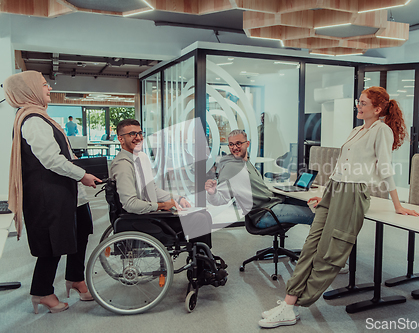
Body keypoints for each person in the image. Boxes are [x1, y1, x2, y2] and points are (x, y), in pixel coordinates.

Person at [258, 86, 419, 328]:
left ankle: (295, 304)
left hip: (353, 193)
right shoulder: (356, 130)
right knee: (310, 245)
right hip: (335, 189)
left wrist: (397, 204)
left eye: (363, 103)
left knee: (329, 252)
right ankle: (288, 302)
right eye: (359, 101)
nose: (359, 105)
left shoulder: (381, 131)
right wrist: (324, 195)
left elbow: (385, 169)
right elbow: (340, 167)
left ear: (377, 109)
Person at [4, 71, 102, 314]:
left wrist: (79, 165)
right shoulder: (32, 120)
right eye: (44, 85)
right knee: (53, 244)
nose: (48, 89)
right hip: (50, 195)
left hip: (67, 192)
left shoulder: (41, 116)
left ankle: (75, 279)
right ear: (28, 90)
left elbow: (62, 155)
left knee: (80, 235)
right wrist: (82, 174)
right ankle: (42, 291)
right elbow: (51, 160)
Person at [110, 119, 212, 247]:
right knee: (200, 219)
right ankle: (202, 263)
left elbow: (153, 189)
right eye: (132, 134)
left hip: (152, 215)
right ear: (121, 139)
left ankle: (203, 259)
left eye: (140, 133)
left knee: (204, 214)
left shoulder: (141, 157)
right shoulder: (123, 165)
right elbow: (130, 204)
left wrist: (177, 199)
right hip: (140, 219)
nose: (139, 138)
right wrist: (162, 205)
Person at [205, 129, 314, 228]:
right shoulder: (231, 167)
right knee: (315, 217)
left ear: (247, 144)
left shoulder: (246, 162)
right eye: (231, 144)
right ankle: (313, 249)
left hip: (271, 205)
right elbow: (221, 199)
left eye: (238, 143)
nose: (234, 147)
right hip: (264, 214)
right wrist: (212, 192)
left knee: (315, 207)